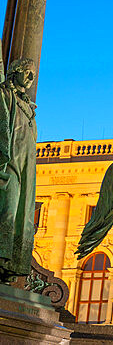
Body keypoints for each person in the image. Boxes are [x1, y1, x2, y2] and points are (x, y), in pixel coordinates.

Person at [0, 59, 37, 281]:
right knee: (9, 209)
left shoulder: (28, 108)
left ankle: (14, 264)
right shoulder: (6, 96)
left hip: (26, 168)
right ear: (14, 72)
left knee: (23, 215)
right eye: (27, 72)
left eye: (33, 74)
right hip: (10, 163)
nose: (31, 78)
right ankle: (3, 257)